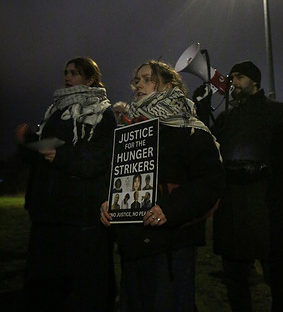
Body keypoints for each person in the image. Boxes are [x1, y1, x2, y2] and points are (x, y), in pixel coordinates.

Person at [101, 60, 224, 312]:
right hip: (133, 246)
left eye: (147, 79)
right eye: (137, 80)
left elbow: (210, 183)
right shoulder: (129, 128)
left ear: (168, 85)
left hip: (171, 246)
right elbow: (119, 176)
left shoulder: (190, 130)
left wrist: (169, 208)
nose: (139, 85)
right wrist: (110, 202)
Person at [16, 57, 116, 312]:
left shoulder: (102, 112)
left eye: (75, 73)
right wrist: (27, 143)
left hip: (80, 216)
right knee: (47, 291)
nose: (67, 77)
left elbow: (100, 158)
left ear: (91, 78)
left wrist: (60, 156)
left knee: (80, 292)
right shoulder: (55, 111)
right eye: (66, 72)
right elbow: (43, 152)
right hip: (48, 214)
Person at [210, 60, 283, 312]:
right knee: (235, 281)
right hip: (232, 208)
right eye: (232, 78)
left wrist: (265, 167)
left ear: (255, 82)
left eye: (239, 77)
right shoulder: (226, 117)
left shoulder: (279, 111)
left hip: (266, 205)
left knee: (279, 278)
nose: (233, 82)